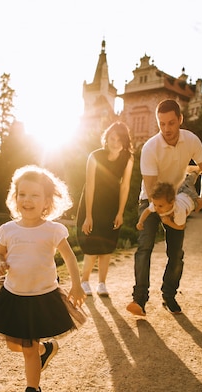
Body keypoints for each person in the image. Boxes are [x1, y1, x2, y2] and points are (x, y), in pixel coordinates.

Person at [0, 165, 87, 392]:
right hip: (13, 296)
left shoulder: (52, 230)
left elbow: (70, 258)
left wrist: (76, 284)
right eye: (22, 194)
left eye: (34, 195)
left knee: (28, 348)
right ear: (15, 197)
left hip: (41, 297)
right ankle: (46, 350)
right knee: (14, 345)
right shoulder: (8, 229)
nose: (27, 200)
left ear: (47, 202)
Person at [126, 99, 202, 317]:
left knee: (176, 253)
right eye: (162, 123)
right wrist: (163, 214)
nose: (166, 129)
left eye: (171, 123)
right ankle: (139, 300)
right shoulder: (150, 148)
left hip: (177, 200)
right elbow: (151, 188)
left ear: (180, 120)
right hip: (151, 199)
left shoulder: (191, 140)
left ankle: (169, 295)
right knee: (144, 247)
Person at [76, 121, 134, 297]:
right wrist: (88, 215)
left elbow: (125, 187)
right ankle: (84, 281)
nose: (115, 142)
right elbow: (90, 186)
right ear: (106, 139)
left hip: (112, 205)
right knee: (92, 245)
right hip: (93, 203)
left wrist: (120, 212)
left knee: (107, 246)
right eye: (112, 138)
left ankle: (102, 284)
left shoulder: (128, 159)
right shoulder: (94, 156)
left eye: (119, 139)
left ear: (125, 141)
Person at [136, 167, 202, 231]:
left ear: (171, 202)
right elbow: (147, 210)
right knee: (188, 183)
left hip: (190, 197)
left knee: (189, 184)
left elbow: (181, 226)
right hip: (182, 195)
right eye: (155, 204)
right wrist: (140, 221)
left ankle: (197, 174)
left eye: (159, 205)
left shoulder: (178, 211)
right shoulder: (159, 204)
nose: (156, 208)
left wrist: (169, 223)